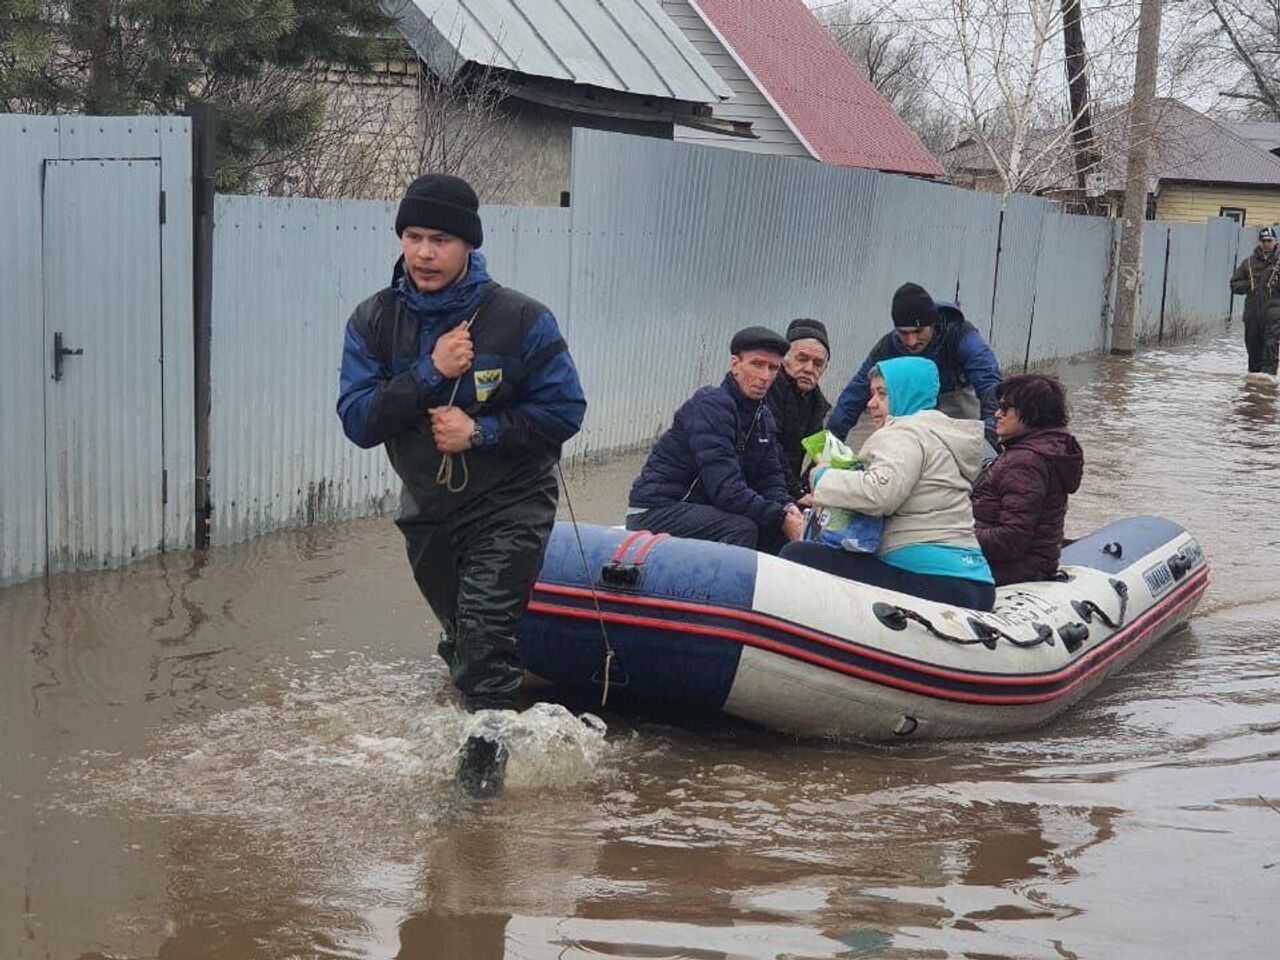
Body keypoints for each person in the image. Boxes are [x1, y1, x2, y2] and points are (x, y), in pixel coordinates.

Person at [336, 173, 586, 796]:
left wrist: (482, 433)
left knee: (484, 639)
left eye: (440, 239)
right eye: (414, 236)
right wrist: (429, 372)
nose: (424, 252)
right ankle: (494, 728)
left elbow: (566, 411)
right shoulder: (373, 320)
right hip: (428, 509)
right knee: (464, 641)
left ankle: (477, 801)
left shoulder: (521, 319)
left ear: (468, 245)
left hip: (511, 503)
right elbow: (358, 421)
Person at [781, 356, 995, 611]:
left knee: (797, 555)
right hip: (976, 582)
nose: (871, 403)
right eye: (872, 393)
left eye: (882, 394)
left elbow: (880, 493)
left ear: (907, 393)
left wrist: (822, 478)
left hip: (931, 579)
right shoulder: (940, 435)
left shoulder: (903, 432)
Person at [626, 327, 805, 552]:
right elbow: (726, 490)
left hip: (702, 509)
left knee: (776, 528)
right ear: (735, 365)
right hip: (658, 509)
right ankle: (724, 588)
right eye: (757, 364)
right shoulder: (711, 406)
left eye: (773, 368)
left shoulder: (763, 418)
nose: (765, 376)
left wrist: (788, 507)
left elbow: (769, 478)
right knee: (742, 528)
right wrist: (780, 518)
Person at [828, 282, 1002, 437]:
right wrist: (828, 446)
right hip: (911, 412)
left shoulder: (960, 335)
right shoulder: (888, 346)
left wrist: (991, 431)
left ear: (932, 324)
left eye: (918, 332)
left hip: (957, 403)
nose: (911, 341)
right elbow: (854, 395)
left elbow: (989, 383)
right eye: (903, 333)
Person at [971, 375, 1084, 585]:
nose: (997, 414)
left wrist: (953, 536)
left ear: (1031, 413)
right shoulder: (1046, 450)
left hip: (1013, 570)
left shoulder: (1024, 462)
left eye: (1005, 408)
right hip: (1034, 563)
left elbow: (1011, 540)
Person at [764, 318, 833, 505]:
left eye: (818, 363)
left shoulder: (816, 403)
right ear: (784, 359)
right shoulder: (768, 390)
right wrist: (797, 493)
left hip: (785, 487)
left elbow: (821, 452)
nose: (809, 369)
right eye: (802, 359)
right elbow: (771, 448)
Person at [1230, 226, 1280, 374]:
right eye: (1263, 241)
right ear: (1259, 242)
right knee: (1253, 351)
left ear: (1275, 241)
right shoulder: (1249, 263)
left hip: (1274, 315)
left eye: (1269, 241)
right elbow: (1234, 284)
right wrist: (1248, 285)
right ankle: (1253, 390)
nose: (1266, 244)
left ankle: (1267, 388)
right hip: (1252, 315)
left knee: (1270, 348)